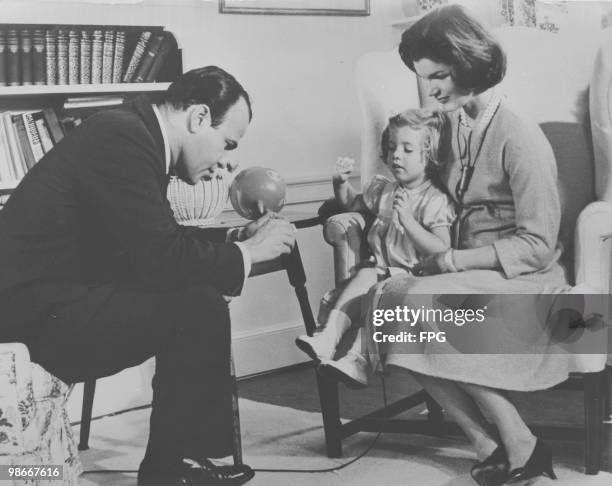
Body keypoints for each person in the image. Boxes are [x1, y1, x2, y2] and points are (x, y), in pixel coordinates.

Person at [0, 66, 297, 486]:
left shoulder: (132, 133)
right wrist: (248, 253)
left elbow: (149, 241)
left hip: (54, 297)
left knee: (196, 301)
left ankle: (175, 465)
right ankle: (173, 468)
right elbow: (160, 257)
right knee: (197, 307)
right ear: (197, 118)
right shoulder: (123, 139)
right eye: (227, 143)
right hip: (29, 316)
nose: (229, 160)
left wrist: (231, 238)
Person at [365, 5, 572, 485]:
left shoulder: (522, 139)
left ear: (469, 66)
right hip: (465, 269)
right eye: (424, 78)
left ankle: (518, 439)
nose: (431, 89)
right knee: (391, 303)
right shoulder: (452, 126)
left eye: (439, 76)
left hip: (523, 274)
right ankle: (486, 442)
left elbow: (538, 245)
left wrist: (451, 259)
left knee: (421, 305)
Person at [295, 109, 455, 388]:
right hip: (381, 269)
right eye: (392, 147)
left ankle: (358, 359)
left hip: (413, 276)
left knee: (379, 297)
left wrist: (408, 221)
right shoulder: (384, 190)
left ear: (428, 156)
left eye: (407, 149)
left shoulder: (434, 199)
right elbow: (352, 205)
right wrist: (340, 182)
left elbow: (442, 247)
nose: (396, 155)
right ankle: (327, 338)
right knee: (366, 277)